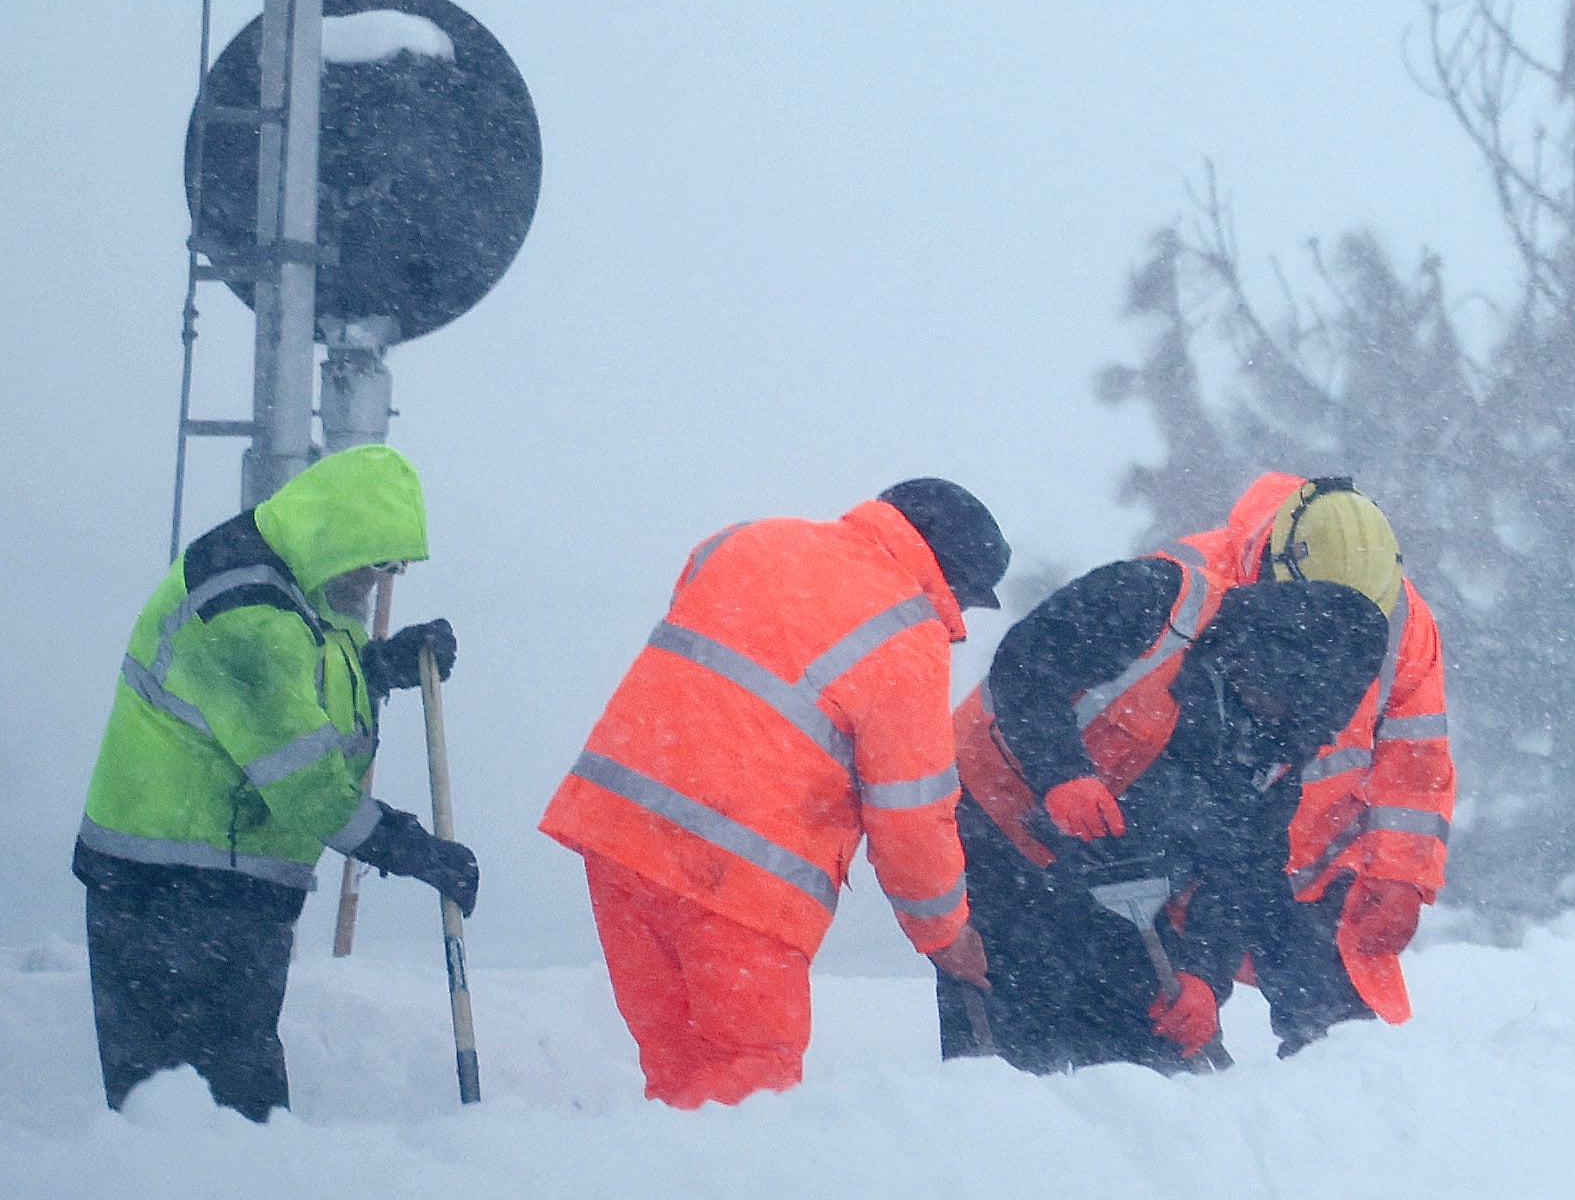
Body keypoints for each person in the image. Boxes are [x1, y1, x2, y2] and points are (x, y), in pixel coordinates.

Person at [541, 475, 1005, 1106]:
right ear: (949, 575)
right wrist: (946, 934)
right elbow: (911, 816)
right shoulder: (906, 632)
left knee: (677, 1066)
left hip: (618, 828)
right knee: (751, 1072)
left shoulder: (749, 540)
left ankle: (666, 1194)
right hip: (739, 873)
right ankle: (721, 1199)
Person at [74, 443, 474, 1117]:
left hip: (223, 892)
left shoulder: (295, 585)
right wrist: (410, 849)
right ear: (336, 534)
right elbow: (302, 781)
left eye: (394, 567)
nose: (377, 582)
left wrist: (380, 666)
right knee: (193, 1120)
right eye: (376, 561)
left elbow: (309, 681)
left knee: (235, 1116)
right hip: (166, 896)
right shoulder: (245, 606)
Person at [943, 573, 1392, 1071]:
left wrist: (1203, 975)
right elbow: (1026, 664)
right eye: (1269, 697)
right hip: (997, 839)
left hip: (1120, 887)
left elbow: (1243, 873)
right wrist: (1063, 774)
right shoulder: (1154, 602)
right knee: (1013, 1058)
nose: (1269, 715)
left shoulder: (1280, 743)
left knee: (1142, 1067)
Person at [1171, 475, 1452, 1017]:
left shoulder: (1405, 621)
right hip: (1201, 857)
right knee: (1155, 1053)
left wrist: (1401, 876)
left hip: (1321, 875)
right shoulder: (1190, 585)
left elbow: (1417, 761)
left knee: (1346, 1058)